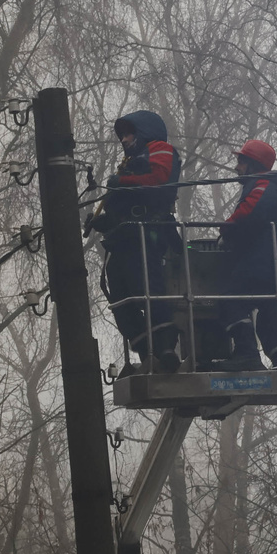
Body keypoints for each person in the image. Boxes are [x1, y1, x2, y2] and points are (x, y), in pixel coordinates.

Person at [87, 110, 182, 373]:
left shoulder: (160, 149)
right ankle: (144, 348)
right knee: (119, 294)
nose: (125, 139)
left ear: (144, 132)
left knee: (148, 289)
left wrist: (123, 183)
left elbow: (159, 180)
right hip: (125, 236)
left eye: (130, 133)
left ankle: (165, 346)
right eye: (123, 135)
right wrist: (103, 221)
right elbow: (125, 205)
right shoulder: (129, 162)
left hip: (147, 233)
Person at [216, 139, 277, 371]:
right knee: (271, 312)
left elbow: (249, 212)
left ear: (253, 164)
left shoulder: (263, 184)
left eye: (241, 162)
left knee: (230, 301)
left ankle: (246, 354)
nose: (237, 168)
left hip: (262, 266)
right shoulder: (274, 188)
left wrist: (227, 230)